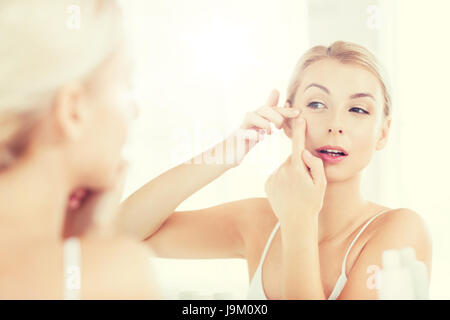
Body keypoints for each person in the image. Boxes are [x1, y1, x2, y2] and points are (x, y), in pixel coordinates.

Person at [116, 41, 432, 299]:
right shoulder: (259, 223)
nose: (336, 125)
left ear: (383, 133)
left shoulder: (399, 231)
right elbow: (119, 234)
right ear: (288, 118)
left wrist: (299, 222)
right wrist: (226, 153)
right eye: (318, 104)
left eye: (358, 109)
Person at [0, 0, 158, 299]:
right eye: (126, 86)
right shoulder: (117, 275)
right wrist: (94, 247)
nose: (135, 110)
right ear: (73, 110)